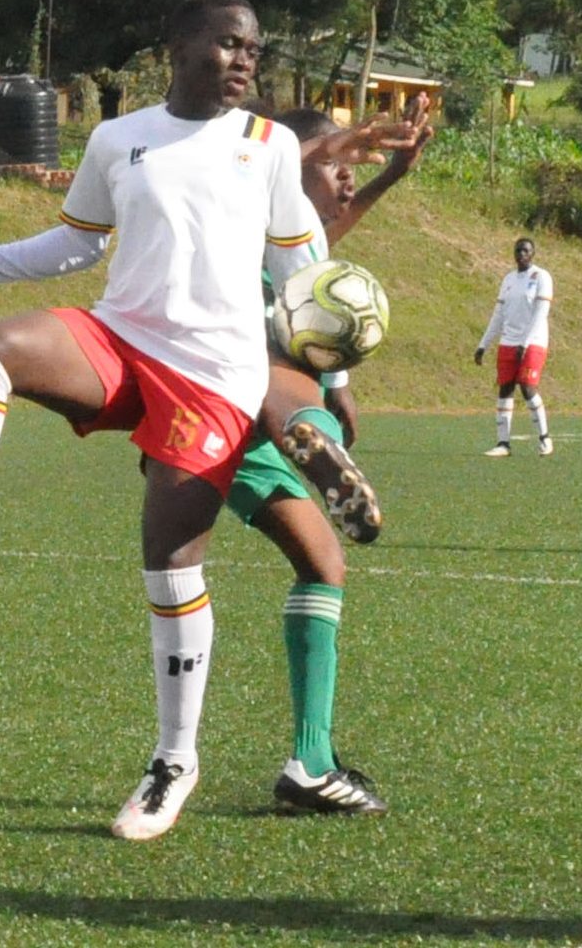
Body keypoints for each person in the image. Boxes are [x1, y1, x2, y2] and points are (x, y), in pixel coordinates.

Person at [0, 0, 354, 841]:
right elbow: (77, 245)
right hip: (120, 338)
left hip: (215, 378)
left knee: (170, 564)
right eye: (229, 44)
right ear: (178, 47)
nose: (244, 60)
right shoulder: (118, 139)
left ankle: (174, 762)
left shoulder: (267, 145)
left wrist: (330, 373)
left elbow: (306, 274)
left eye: (253, 50)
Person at [228, 97, 431, 816]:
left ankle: (311, 764)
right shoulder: (251, 220)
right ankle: (309, 435)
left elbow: (332, 227)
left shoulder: (303, 240)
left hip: (234, 429)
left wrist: (390, 176)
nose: (347, 175)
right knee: (179, 569)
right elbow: (287, 178)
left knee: (323, 565)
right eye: (337, 164)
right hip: (235, 408)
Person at [474, 237, 555, 457]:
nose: (521, 254)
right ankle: (503, 443)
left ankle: (545, 438)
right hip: (508, 341)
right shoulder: (509, 279)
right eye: (518, 250)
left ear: (533, 253)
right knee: (505, 388)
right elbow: (498, 315)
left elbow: (541, 313)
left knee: (527, 387)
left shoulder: (541, 277)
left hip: (534, 341)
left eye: (526, 250)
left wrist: (525, 343)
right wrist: (483, 344)